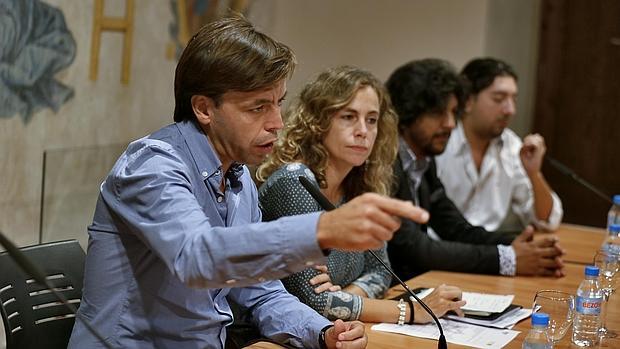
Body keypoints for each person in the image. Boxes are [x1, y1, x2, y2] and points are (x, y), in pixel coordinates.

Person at [67, 17, 429, 349]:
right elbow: (199, 256)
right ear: (205, 109)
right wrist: (322, 229)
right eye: (258, 108)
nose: (277, 122)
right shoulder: (152, 166)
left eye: (278, 104)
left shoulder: (239, 180)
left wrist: (321, 332)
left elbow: (262, 293)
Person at [256, 66, 466, 326]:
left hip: (341, 332)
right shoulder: (295, 182)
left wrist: (343, 298)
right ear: (318, 121)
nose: (362, 131)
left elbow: (380, 274)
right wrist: (411, 312)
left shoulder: (362, 185)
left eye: (371, 119)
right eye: (348, 116)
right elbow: (312, 303)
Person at [385, 58, 565, 281]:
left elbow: (454, 226)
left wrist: (521, 246)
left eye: (452, 112)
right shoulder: (385, 164)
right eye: (439, 113)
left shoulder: (423, 158)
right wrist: (506, 259)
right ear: (409, 112)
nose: (450, 123)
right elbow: (413, 248)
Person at [435, 57, 563, 233]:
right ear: (467, 101)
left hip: (489, 250)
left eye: (513, 99)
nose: (510, 110)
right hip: (442, 251)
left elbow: (547, 219)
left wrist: (534, 174)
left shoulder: (512, 146)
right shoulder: (440, 141)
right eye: (499, 98)